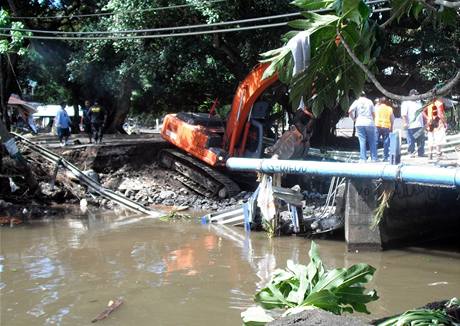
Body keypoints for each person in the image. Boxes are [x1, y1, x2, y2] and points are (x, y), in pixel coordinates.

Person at [349, 93, 377, 162]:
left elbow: (350, 111)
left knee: (362, 141)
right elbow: (373, 113)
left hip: (359, 122)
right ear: (365, 95)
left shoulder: (357, 101)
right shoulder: (369, 101)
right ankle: (374, 158)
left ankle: (363, 159)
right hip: (369, 123)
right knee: (372, 141)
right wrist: (372, 121)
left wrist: (354, 119)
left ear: (359, 95)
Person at [401, 89, 425, 157]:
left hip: (420, 125)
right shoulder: (406, 103)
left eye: (417, 94)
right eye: (415, 94)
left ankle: (421, 153)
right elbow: (404, 114)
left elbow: (422, 113)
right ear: (411, 95)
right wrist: (405, 123)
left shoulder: (419, 102)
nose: (417, 96)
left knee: (421, 141)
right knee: (411, 141)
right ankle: (411, 153)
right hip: (410, 125)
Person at [374, 97, 394, 162]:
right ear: (386, 102)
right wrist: (391, 127)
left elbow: (373, 116)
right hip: (386, 126)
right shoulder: (390, 109)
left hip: (378, 125)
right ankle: (385, 157)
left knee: (376, 141)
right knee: (386, 142)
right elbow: (392, 119)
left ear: (380, 102)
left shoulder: (377, 108)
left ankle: (374, 157)